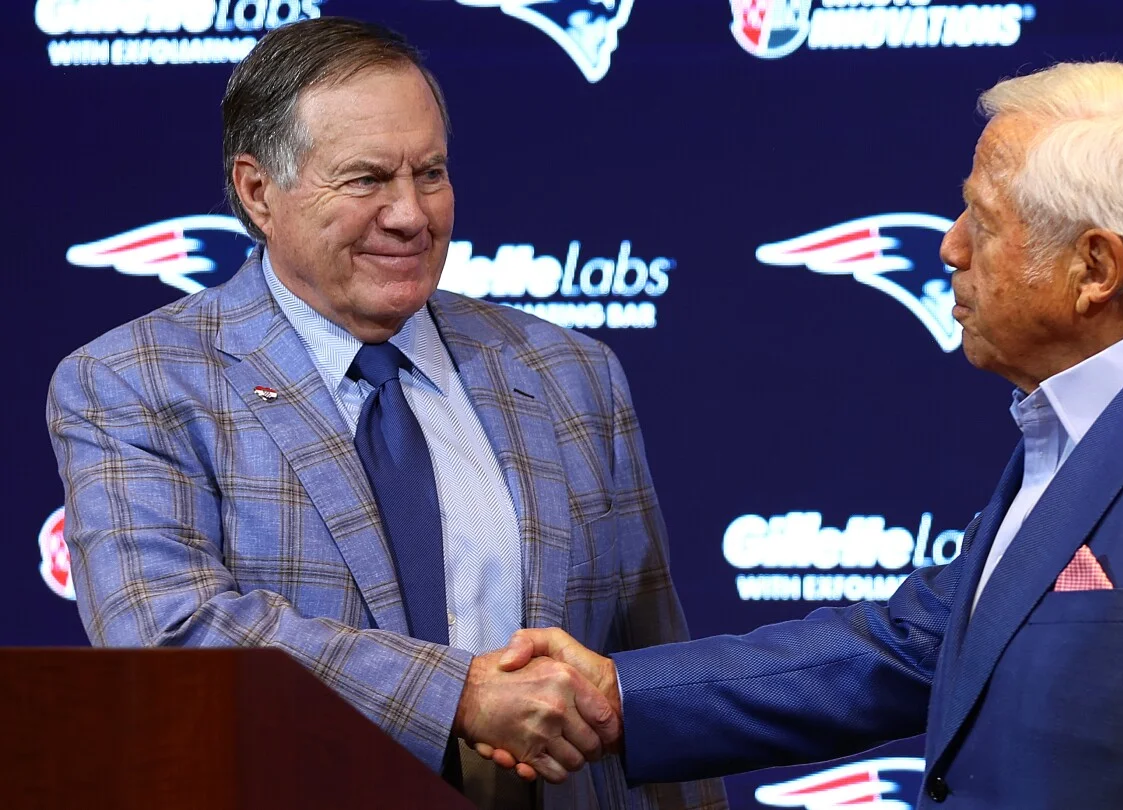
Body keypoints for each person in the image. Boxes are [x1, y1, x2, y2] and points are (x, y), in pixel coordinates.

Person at [488, 61, 1123, 807]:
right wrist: (619, 696)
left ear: (1095, 268)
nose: (951, 246)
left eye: (985, 222)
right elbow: (907, 647)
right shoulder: (1081, 423)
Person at [45, 17, 726, 810]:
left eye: (430, 173)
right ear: (258, 192)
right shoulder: (134, 381)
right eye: (367, 179)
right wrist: (458, 697)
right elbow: (171, 635)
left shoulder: (570, 373)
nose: (410, 214)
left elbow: (645, 675)